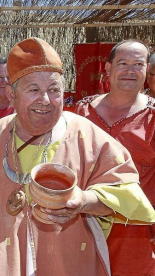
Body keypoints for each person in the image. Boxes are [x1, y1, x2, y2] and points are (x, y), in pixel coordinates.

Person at [0, 37, 155, 276]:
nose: (46, 100)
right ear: (11, 94)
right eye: (33, 90)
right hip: (2, 260)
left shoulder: (85, 133)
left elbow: (129, 195)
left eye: (54, 90)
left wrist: (83, 201)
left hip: (66, 262)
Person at [75, 39, 155, 276]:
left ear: (147, 70)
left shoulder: (152, 117)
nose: (130, 70)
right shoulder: (81, 113)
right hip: (83, 228)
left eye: (138, 64)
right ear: (107, 69)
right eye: (122, 63)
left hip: (137, 236)